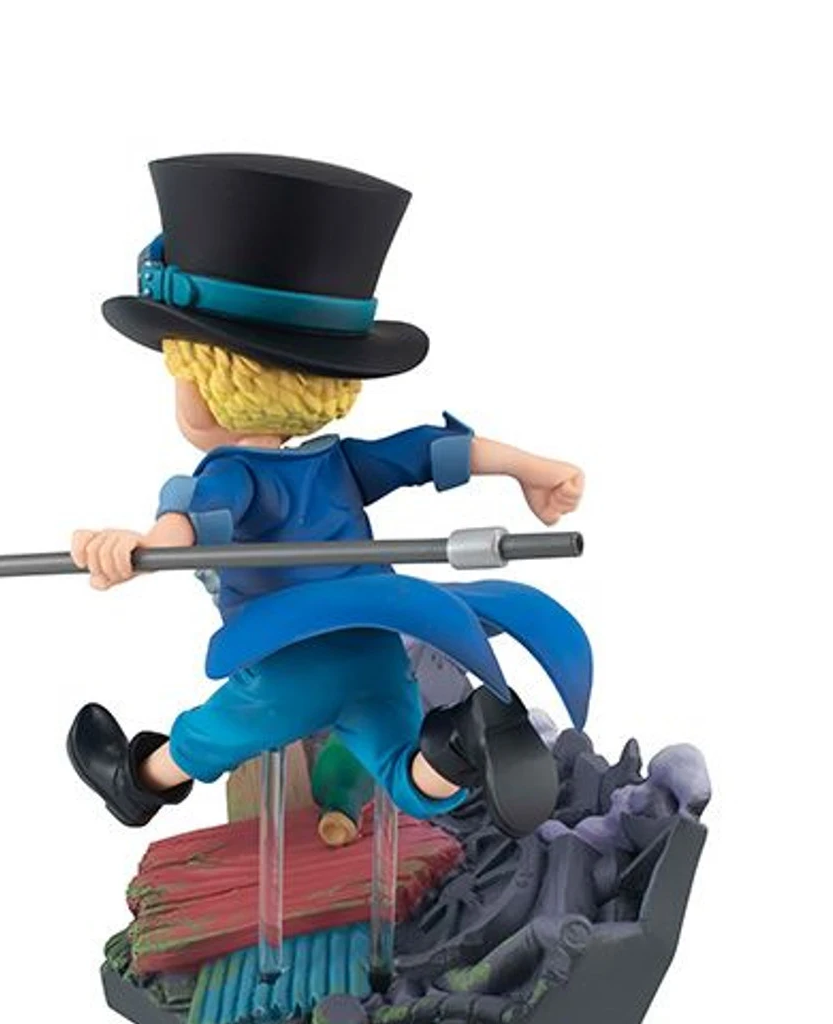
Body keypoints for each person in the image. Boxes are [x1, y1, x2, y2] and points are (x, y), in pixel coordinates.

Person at [67, 154, 591, 837]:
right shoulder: (338, 463)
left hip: (291, 671)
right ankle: (464, 743)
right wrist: (532, 469)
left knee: (203, 739)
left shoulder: (229, 473)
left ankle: (132, 782)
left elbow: (191, 525)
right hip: (376, 648)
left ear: (211, 385)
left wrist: (137, 547)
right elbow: (430, 450)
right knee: (403, 772)